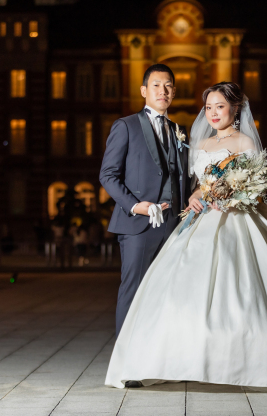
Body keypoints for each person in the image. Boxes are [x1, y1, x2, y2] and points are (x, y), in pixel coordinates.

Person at [105, 82, 267, 393]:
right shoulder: (202, 144)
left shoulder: (245, 141)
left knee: (243, 293)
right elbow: (197, 184)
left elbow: (257, 189)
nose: (213, 113)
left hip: (237, 221)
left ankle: (253, 360)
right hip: (200, 220)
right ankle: (180, 358)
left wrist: (235, 195)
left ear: (235, 109)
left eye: (219, 106)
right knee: (180, 293)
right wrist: (195, 197)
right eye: (208, 107)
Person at [99, 63, 191, 361]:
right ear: (144, 91)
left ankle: (158, 359)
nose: (162, 91)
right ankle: (126, 363)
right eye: (156, 85)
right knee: (134, 290)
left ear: (174, 92)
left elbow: (184, 177)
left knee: (168, 294)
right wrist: (137, 205)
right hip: (137, 226)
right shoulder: (125, 126)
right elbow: (108, 176)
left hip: (174, 226)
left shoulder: (180, 130)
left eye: (168, 86)